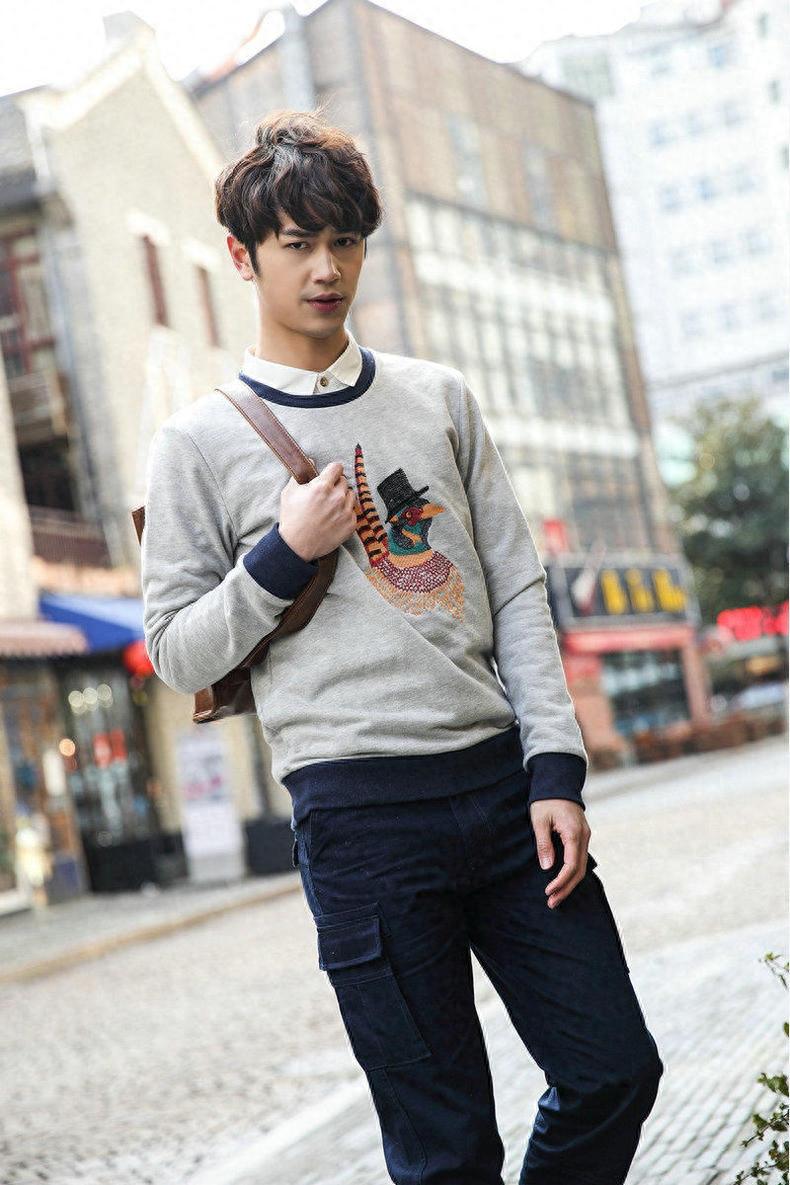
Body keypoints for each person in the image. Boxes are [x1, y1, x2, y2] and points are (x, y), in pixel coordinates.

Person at [140, 105, 663, 1184]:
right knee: (444, 1151)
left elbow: (516, 589)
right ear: (242, 256)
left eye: (346, 241)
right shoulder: (196, 444)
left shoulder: (439, 399)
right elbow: (177, 652)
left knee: (614, 1069)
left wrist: (554, 770)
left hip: (503, 794)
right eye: (298, 244)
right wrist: (281, 554)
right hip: (358, 818)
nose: (327, 268)